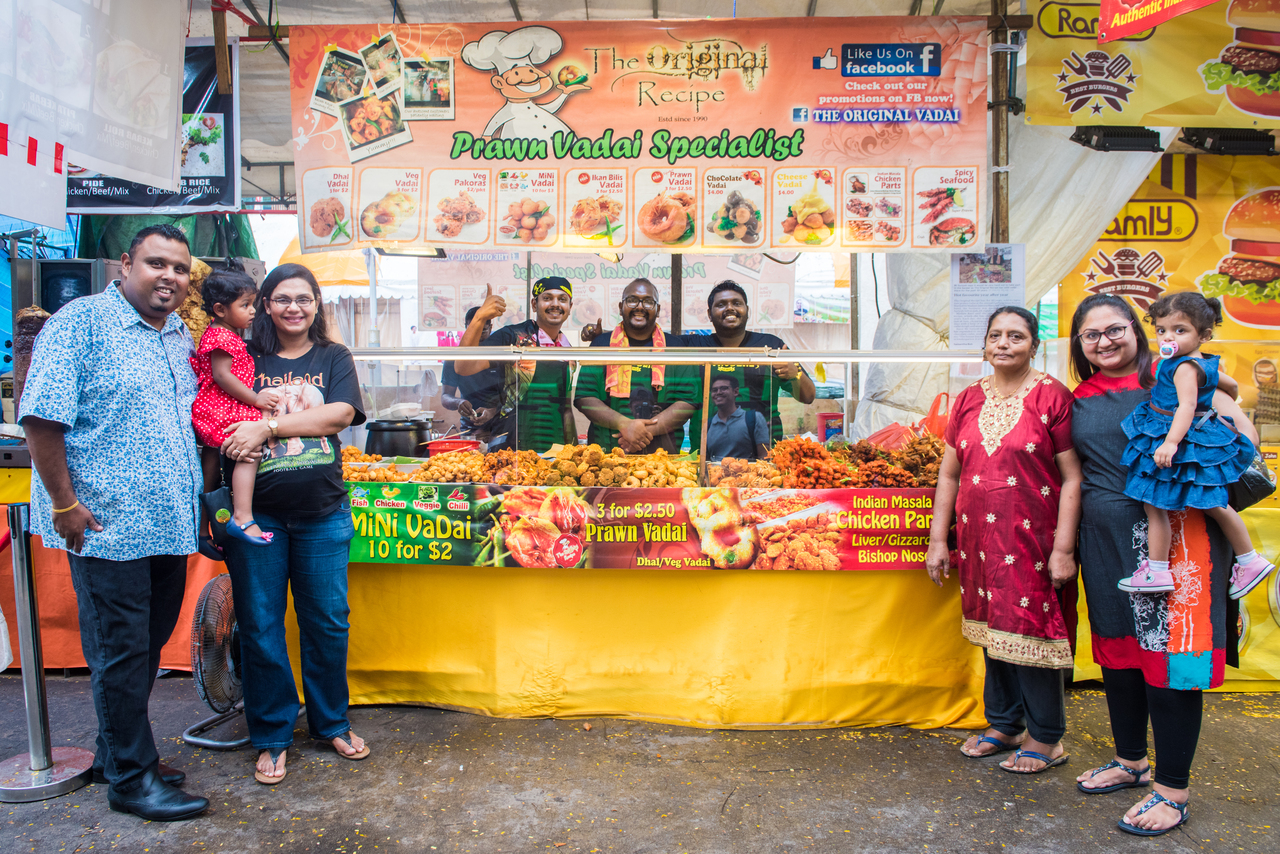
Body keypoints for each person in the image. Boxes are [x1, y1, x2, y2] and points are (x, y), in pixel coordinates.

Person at [21, 224, 210, 821]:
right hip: (106, 525)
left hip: (166, 523)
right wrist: (62, 502)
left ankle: (114, 751)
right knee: (120, 650)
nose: (170, 278)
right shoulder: (77, 324)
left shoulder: (179, 335)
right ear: (124, 265)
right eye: (157, 264)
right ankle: (132, 779)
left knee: (145, 645)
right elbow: (42, 421)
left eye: (180, 269)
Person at [1068, 293, 1258, 836]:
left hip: (1179, 541)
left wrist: (1218, 414)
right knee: (1120, 653)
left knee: (1171, 661)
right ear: (1080, 344)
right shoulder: (1079, 397)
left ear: (1137, 330)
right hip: (1106, 544)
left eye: (1114, 329)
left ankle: (1173, 790)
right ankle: (1131, 762)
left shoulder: (1176, 373)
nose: (1104, 341)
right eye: (1091, 335)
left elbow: (1240, 431)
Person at [218, 263, 369, 785]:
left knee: (327, 621)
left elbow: (338, 417)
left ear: (317, 304)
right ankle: (273, 734)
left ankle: (330, 721)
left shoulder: (333, 357)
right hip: (256, 515)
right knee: (260, 627)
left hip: (323, 513)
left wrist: (266, 424)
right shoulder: (244, 358)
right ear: (265, 304)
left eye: (304, 299)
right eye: (282, 299)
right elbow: (217, 410)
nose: (294, 308)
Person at [925, 306, 1083, 775]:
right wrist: (940, 540)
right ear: (985, 344)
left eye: (1017, 336)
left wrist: (1063, 548)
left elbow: (1073, 478)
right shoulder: (969, 398)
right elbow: (949, 474)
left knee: (1031, 632)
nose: (1004, 343)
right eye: (996, 335)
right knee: (995, 628)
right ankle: (1005, 724)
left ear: (1034, 345)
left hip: (1033, 537)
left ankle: (1047, 738)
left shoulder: (1053, 397)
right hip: (978, 538)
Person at [1117, 292, 1273, 598]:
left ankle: (1163, 570)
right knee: (1204, 502)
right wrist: (1231, 388)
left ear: (1204, 335)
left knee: (1162, 502)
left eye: (1180, 330)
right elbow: (1224, 382)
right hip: (1193, 437)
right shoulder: (1195, 361)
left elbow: (1186, 406)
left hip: (1181, 437)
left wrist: (1170, 442)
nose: (1168, 337)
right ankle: (1245, 560)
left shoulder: (1183, 367)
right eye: (1161, 330)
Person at [581, 280, 815, 449]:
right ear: (709, 314)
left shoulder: (771, 346)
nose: (729, 308)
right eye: (721, 305)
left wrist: (796, 374)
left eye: (736, 303)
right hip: (705, 453)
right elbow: (643, 336)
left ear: (747, 310)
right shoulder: (692, 344)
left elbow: (808, 396)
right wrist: (604, 337)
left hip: (763, 451)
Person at [191, 264, 281, 547]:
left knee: (210, 464)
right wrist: (255, 399)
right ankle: (243, 516)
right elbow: (222, 375)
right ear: (220, 309)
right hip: (223, 408)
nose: (253, 311)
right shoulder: (222, 337)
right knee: (249, 450)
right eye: (245, 305)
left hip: (212, 409)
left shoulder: (221, 332)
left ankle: (203, 527)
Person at [574, 278, 697, 453]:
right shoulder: (601, 344)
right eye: (632, 300)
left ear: (658, 309)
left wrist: (643, 431)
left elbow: (688, 401)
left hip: (663, 457)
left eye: (648, 301)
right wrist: (623, 424)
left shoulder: (675, 347)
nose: (639, 307)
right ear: (620, 306)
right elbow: (584, 398)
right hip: (607, 453)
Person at [454, 276, 577, 451]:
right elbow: (463, 367)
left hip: (553, 449)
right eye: (547, 298)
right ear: (534, 304)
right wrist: (480, 317)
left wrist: (572, 450)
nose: (555, 304)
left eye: (562, 299)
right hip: (510, 447)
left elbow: (566, 410)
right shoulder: (512, 337)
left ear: (570, 307)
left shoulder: (567, 350)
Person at [440, 306, 502, 437]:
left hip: (503, 428)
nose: (478, 336)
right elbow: (445, 396)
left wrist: (493, 411)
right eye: (474, 330)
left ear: (491, 327)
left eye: (483, 330)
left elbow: (518, 396)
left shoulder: (502, 355)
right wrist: (458, 403)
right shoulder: (455, 358)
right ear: (466, 327)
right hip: (471, 430)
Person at [705, 375, 770, 462]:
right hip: (715, 474)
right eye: (714, 390)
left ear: (735, 391)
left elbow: (764, 457)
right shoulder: (708, 424)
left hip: (747, 474)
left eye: (724, 388)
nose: (718, 392)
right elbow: (705, 460)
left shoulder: (754, 419)